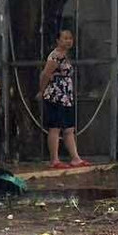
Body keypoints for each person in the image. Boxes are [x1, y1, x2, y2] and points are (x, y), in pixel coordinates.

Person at [38, 27, 87, 167]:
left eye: (70, 38)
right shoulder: (55, 56)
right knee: (55, 127)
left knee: (69, 128)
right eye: (65, 38)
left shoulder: (66, 56)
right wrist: (41, 91)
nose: (68, 41)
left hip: (66, 96)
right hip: (55, 95)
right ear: (58, 40)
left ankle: (75, 157)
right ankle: (54, 159)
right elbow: (45, 74)